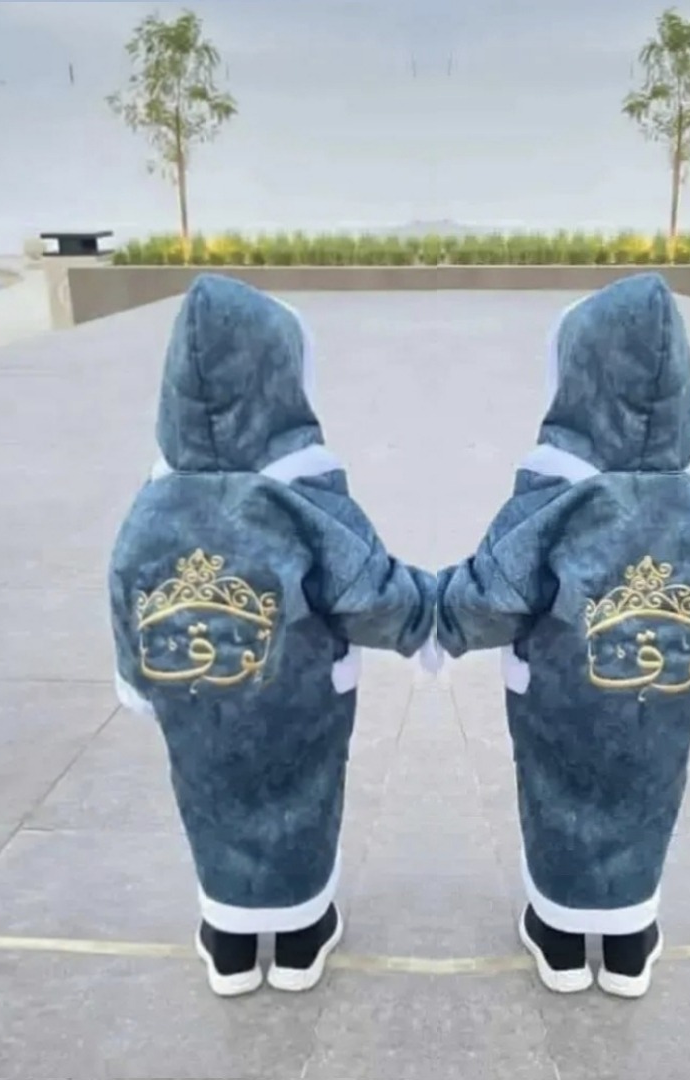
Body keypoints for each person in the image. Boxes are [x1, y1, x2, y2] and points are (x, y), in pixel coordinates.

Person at [109, 274, 437, 997]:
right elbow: (366, 585)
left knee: (209, 795)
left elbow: (127, 583)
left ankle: (228, 939)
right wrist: (423, 622)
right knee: (301, 793)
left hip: (193, 691)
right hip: (300, 690)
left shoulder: (157, 501)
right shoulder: (304, 495)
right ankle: (300, 935)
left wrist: (138, 679)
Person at [436, 273, 690, 997]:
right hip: (664, 688)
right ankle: (631, 940)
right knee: (648, 796)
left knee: (559, 793)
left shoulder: (555, 495)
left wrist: (441, 622)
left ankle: (560, 937)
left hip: (561, 691)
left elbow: (494, 588)